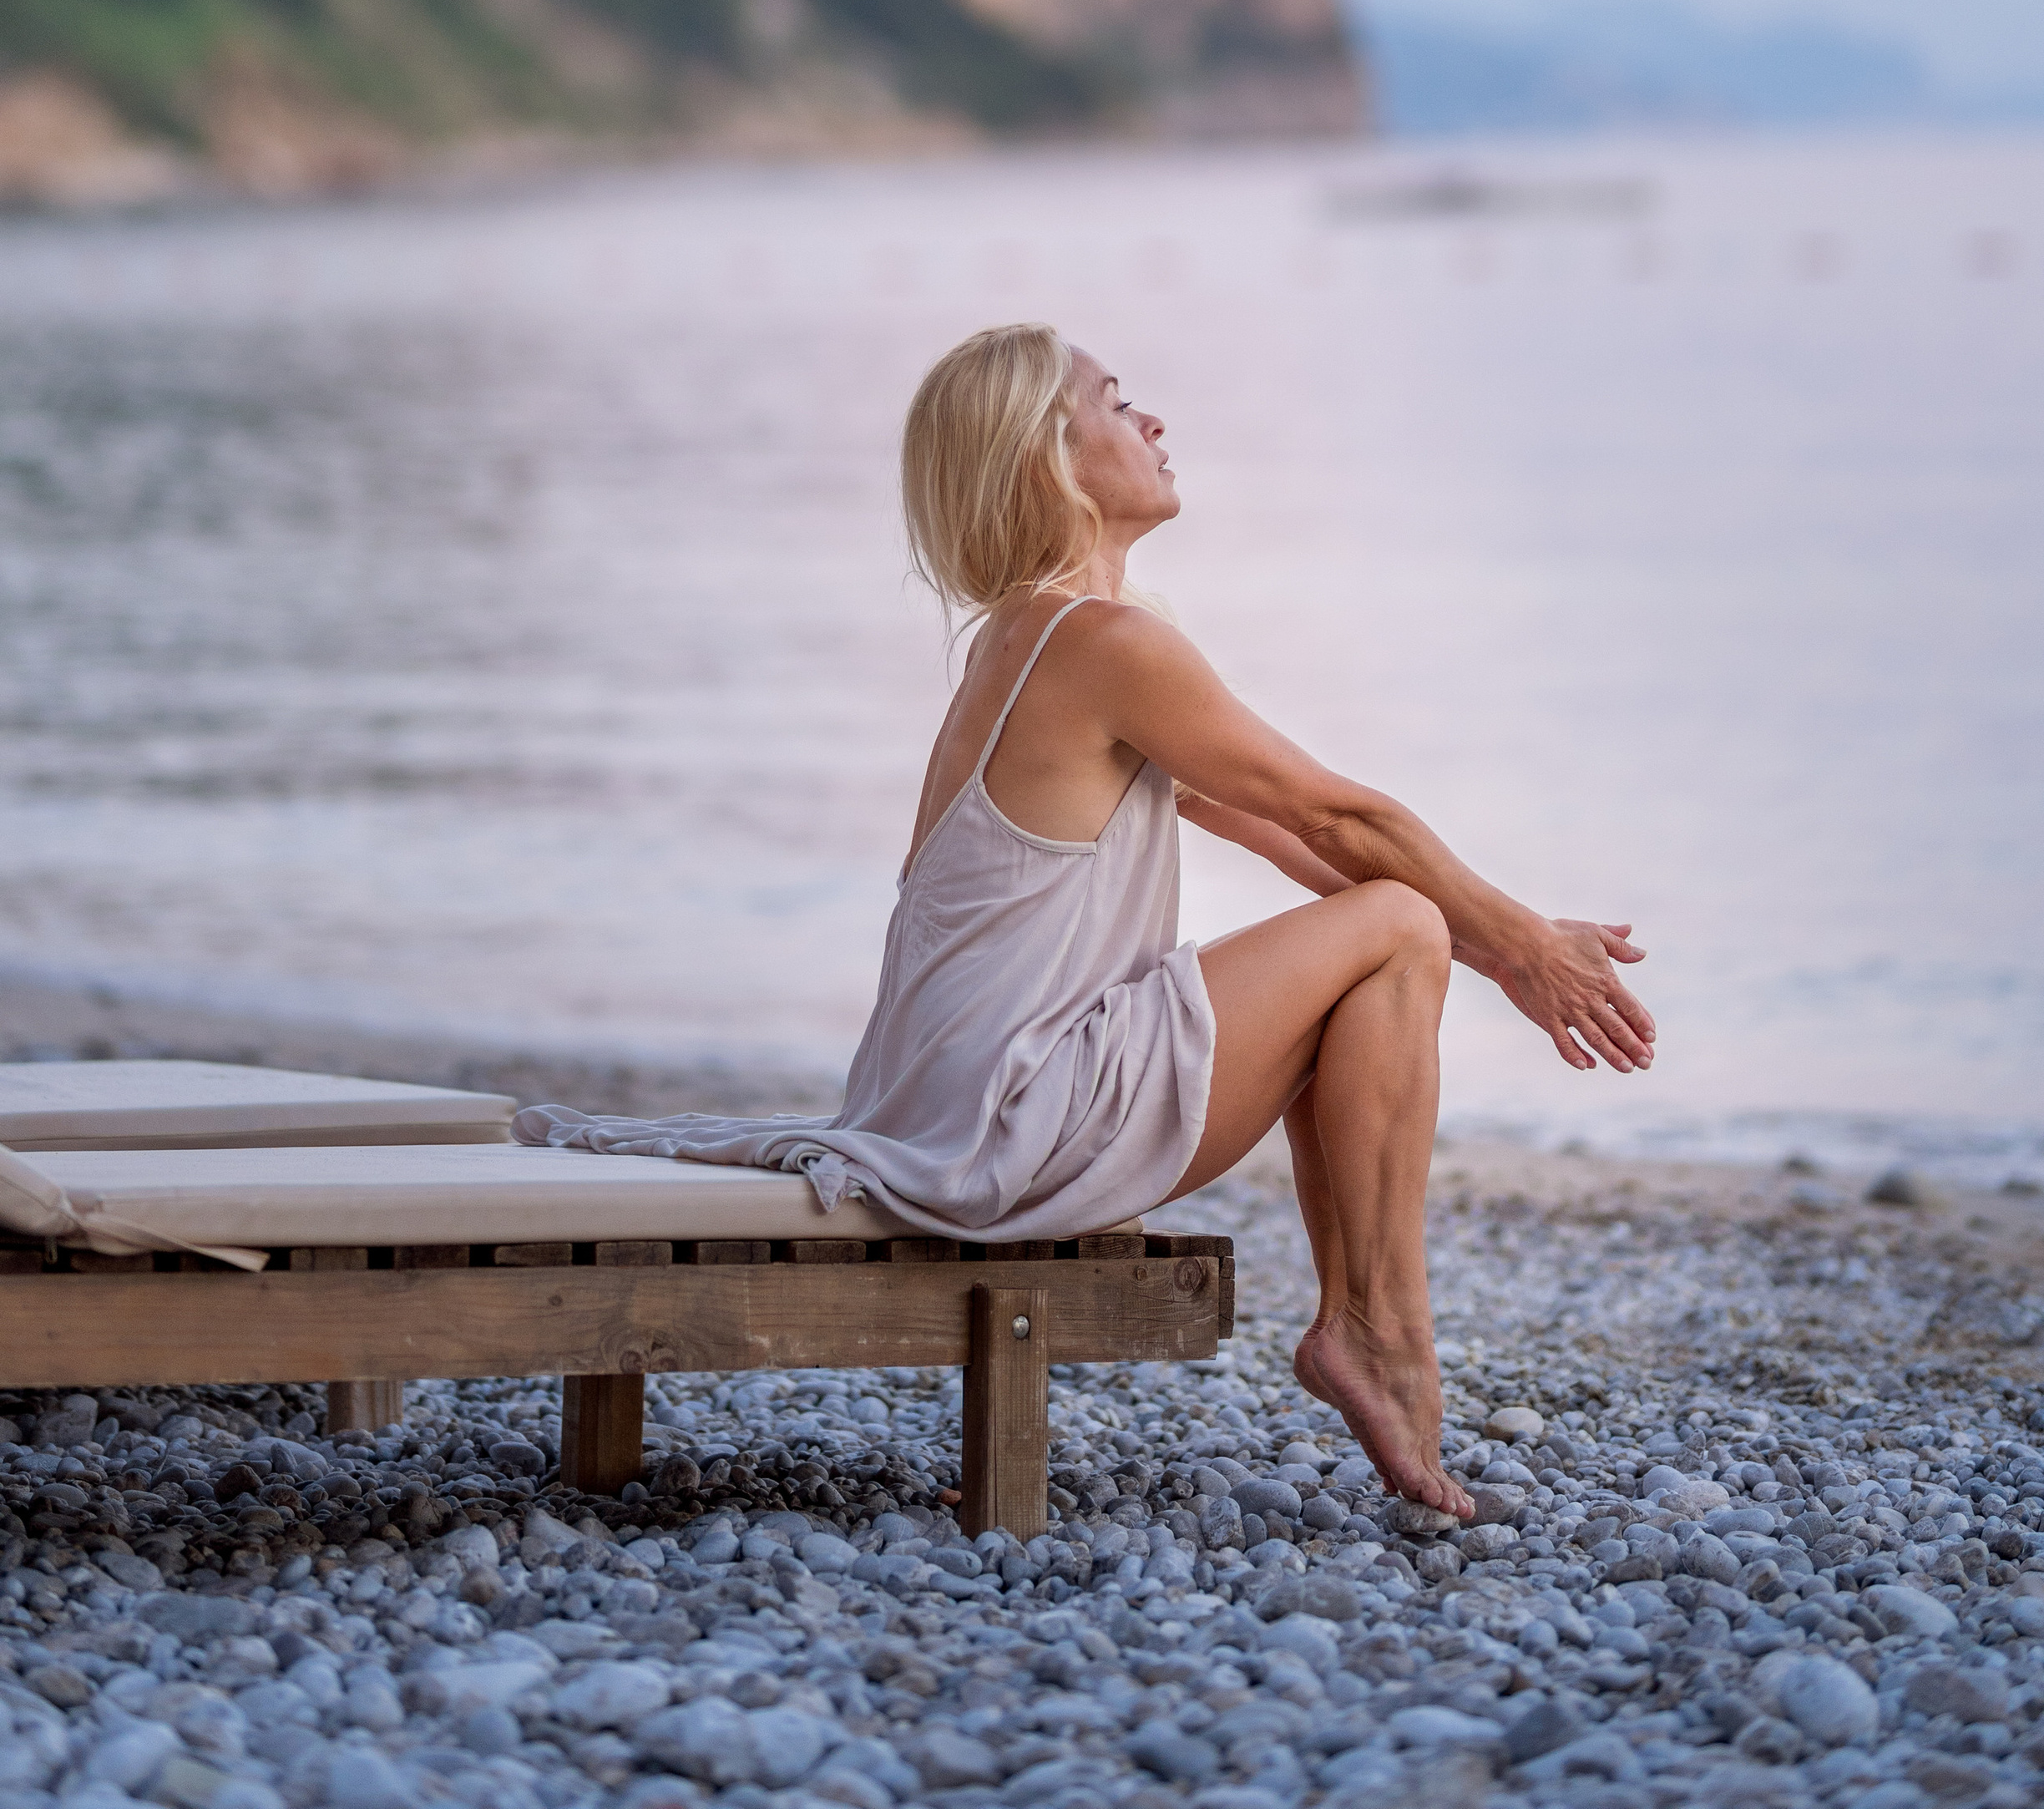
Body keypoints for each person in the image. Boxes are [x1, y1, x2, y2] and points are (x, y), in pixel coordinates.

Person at [519, 322, 1654, 1510]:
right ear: (1046, 460)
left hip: (961, 1106)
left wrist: (1505, 953)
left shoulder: (1029, 643)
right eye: (1118, 403)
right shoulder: (1103, 645)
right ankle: (1378, 1334)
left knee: (1392, 934)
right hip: (1018, 1117)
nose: (1154, 422)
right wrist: (1521, 947)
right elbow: (1344, 819)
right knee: (1398, 927)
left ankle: (1372, 1330)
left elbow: (1306, 844)